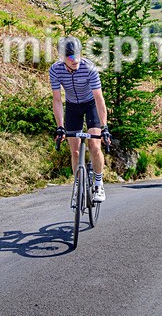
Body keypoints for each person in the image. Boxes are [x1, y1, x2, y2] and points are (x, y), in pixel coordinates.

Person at [50, 36, 111, 202]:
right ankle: (78, 185)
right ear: (62, 57)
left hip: (90, 104)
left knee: (94, 145)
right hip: (72, 106)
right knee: (75, 151)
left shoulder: (89, 68)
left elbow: (99, 99)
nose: (75, 60)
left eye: (77, 55)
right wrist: (60, 126)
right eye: (70, 57)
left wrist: (104, 127)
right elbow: (57, 100)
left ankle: (98, 184)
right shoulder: (55, 70)